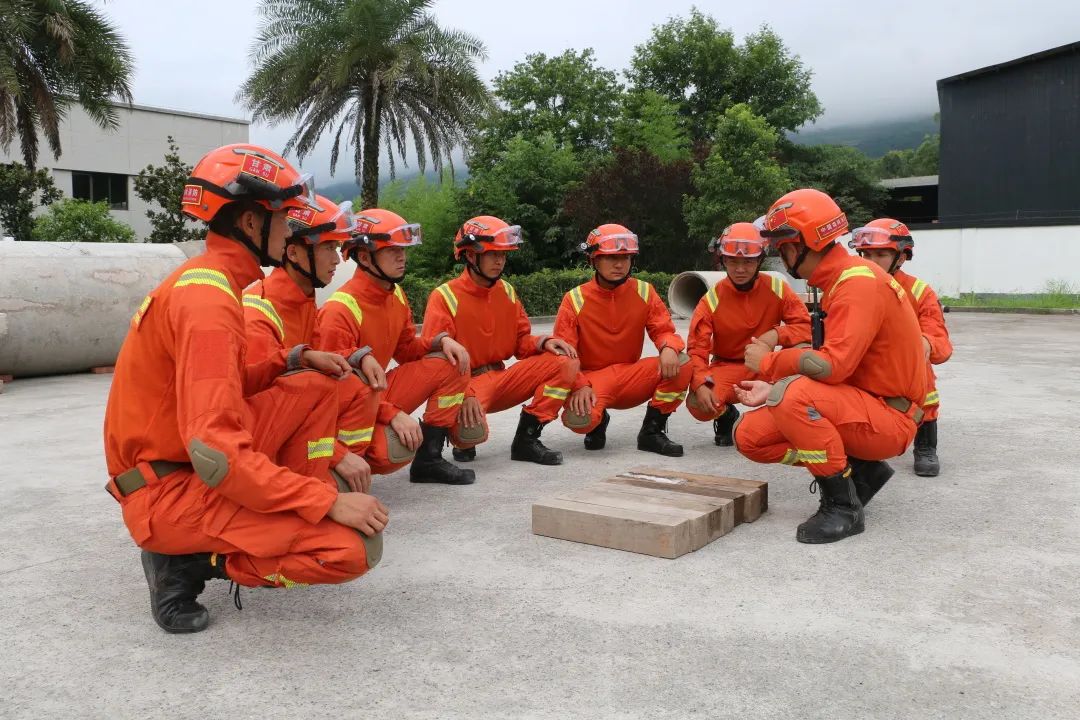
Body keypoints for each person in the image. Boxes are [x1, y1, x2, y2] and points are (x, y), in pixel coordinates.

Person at [104, 144, 388, 634]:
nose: (290, 230)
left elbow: (228, 384)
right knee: (352, 549)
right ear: (252, 224)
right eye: (282, 218)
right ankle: (192, 562)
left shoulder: (211, 284)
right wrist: (323, 503)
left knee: (317, 384)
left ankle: (270, 514)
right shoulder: (208, 303)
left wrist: (294, 359)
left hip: (181, 463)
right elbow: (217, 453)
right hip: (168, 491)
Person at [733, 189, 926, 543]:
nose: (780, 254)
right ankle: (859, 471)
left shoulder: (857, 285)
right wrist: (773, 387)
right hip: (863, 403)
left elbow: (832, 367)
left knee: (793, 398)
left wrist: (771, 364)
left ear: (799, 244)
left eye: (782, 246)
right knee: (751, 437)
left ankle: (843, 507)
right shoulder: (844, 280)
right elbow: (839, 364)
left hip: (891, 416)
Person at [316, 208, 475, 485]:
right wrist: (393, 414)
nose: (402, 257)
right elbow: (336, 392)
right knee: (393, 449)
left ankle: (430, 459)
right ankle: (338, 472)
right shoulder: (340, 310)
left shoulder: (395, 294)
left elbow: (406, 350)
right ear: (364, 257)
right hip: (345, 411)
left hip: (375, 394)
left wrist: (440, 340)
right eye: (392, 250)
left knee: (451, 362)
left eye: (403, 249)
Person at [243, 195, 385, 494]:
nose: (337, 258)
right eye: (328, 247)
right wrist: (338, 453)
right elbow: (265, 403)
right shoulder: (259, 310)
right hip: (251, 443)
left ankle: (340, 478)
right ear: (293, 253)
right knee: (312, 384)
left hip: (287, 422)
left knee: (357, 382)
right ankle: (311, 481)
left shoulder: (303, 301)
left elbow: (326, 353)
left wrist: (359, 356)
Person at [421, 216, 580, 466]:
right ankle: (460, 437)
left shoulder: (506, 291)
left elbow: (520, 341)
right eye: (493, 254)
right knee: (469, 433)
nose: (500, 261)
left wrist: (542, 342)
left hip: (501, 378)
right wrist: (465, 392)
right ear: (471, 255)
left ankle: (526, 441)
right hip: (466, 383)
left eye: (504, 255)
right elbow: (437, 362)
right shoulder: (445, 296)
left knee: (564, 362)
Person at [554, 224, 693, 456]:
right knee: (579, 420)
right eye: (611, 258)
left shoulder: (644, 291)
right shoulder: (574, 299)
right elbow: (563, 353)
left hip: (630, 376)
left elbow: (663, 329)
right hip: (591, 381)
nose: (619, 265)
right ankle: (596, 422)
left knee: (682, 363)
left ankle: (652, 432)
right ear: (594, 260)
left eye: (625, 257)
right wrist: (578, 385)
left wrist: (668, 346)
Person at [685, 222, 811, 445]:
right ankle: (726, 416)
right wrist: (700, 383)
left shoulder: (777, 288)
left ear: (760, 260)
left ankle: (787, 422)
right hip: (728, 367)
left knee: (805, 354)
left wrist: (775, 335)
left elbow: (806, 328)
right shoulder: (711, 299)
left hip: (768, 364)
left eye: (748, 262)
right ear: (722, 260)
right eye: (733, 261)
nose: (740, 269)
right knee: (698, 403)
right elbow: (697, 348)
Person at [848, 219, 953, 476]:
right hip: (863, 363)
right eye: (866, 254)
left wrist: (925, 343)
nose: (871, 261)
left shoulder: (919, 291)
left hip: (903, 366)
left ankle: (925, 444)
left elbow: (938, 337)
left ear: (902, 257)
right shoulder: (850, 286)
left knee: (924, 378)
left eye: (881, 254)